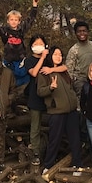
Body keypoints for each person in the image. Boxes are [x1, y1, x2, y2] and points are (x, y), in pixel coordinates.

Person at [37, 47, 83, 171]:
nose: (58, 57)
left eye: (60, 54)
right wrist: (50, 88)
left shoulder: (63, 71)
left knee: (75, 139)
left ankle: (77, 165)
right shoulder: (44, 73)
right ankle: (48, 166)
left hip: (71, 111)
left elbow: (69, 84)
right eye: (55, 54)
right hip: (56, 112)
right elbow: (40, 91)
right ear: (50, 56)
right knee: (54, 140)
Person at [24, 35, 68, 163]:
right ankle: (36, 152)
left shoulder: (49, 60)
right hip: (34, 96)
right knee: (35, 127)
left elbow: (65, 67)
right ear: (32, 46)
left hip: (51, 97)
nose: (39, 45)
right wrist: (42, 57)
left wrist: (51, 68)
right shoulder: (29, 60)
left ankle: (53, 152)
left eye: (41, 43)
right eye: (36, 43)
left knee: (53, 125)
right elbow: (34, 73)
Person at [0, 0, 39, 88]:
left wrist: (35, 6)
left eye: (16, 20)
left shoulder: (21, 30)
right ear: (8, 21)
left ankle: (23, 91)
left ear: (19, 21)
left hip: (20, 60)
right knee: (8, 79)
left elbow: (30, 20)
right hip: (8, 60)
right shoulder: (4, 31)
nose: (13, 22)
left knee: (24, 77)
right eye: (11, 20)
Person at [66, 21, 92, 94]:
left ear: (88, 32)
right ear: (76, 33)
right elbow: (69, 70)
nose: (82, 33)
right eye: (79, 31)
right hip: (80, 80)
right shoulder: (73, 50)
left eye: (84, 31)